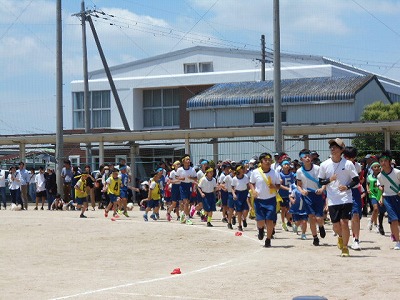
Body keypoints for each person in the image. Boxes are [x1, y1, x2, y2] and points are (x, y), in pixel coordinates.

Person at [318, 138, 359, 257]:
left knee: (344, 222)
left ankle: (345, 248)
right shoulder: (324, 164)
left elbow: (355, 180)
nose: (332, 149)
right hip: (332, 199)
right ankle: (340, 237)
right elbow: (321, 181)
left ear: (341, 150)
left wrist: (347, 187)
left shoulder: (348, 164)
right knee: (336, 225)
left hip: (346, 198)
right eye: (331, 147)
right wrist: (330, 180)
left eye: (335, 147)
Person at [249, 152, 281, 248]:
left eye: (269, 160)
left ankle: (268, 239)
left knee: (270, 220)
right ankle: (261, 229)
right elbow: (251, 183)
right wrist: (253, 191)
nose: (267, 162)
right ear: (261, 161)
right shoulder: (255, 172)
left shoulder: (274, 173)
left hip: (270, 199)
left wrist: (274, 186)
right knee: (260, 221)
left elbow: (278, 185)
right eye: (265, 160)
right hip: (259, 200)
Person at [296, 149, 327, 246]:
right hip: (307, 196)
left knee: (319, 218)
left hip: (317, 195)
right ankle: (315, 237)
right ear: (301, 159)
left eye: (309, 156)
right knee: (311, 217)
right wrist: (302, 191)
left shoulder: (318, 168)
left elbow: (324, 182)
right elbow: (298, 185)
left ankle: (321, 226)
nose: (307, 158)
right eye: (305, 157)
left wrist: (322, 189)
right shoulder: (299, 171)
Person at [377, 150, 400, 250]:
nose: (383, 163)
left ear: (390, 161)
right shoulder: (380, 176)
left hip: (398, 197)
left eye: (385, 160)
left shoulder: (397, 172)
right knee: (394, 219)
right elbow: (381, 187)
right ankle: (398, 242)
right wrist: (380, 198)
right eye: (381, 161)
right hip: (388, 199)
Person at [343, 146, 363, 250]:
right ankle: (342, 237)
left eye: (352, 157)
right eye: (347, 157)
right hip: (342, 192)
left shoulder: (358, 166)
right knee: (343, 219)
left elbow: (358, 179)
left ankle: (356, 239)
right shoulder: (340, 164)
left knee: (355, 216)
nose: (349, 159)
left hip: (354, 192)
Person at [177, 155, 197, 225]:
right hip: (183, 185)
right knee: (185, 202)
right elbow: (176, 176)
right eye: (187, 159)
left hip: (189, 185)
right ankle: (187, 218)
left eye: (189, 159)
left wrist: (191, 177)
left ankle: (182, 214)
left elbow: (196, 178)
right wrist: (180, 178)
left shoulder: (192, 169)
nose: (189, 161)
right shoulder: (180, 169)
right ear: (183, 161)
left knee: (187, 202)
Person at [366, 162, 385, 235]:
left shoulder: (382, 176)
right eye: (375, 167)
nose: (377, 168)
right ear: (372, 168)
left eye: (378, 167)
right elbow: (367, 184)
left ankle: (371, 221)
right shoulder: (369, 176)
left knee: (379, 211)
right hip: (373, 194)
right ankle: (376, 225)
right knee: (376, 209)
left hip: (380, 194)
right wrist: (367, 189)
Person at [231, 164, 250, 231]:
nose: (244, 170)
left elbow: (248, 186)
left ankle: (244, 218)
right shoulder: (234, 179)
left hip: (244, 193)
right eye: (242, 169)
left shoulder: (245, 177)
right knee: (239, 211)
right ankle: (239, 225)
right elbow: (232, 188)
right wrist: (234, 194)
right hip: (238, 194)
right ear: (239, 170)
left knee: (246, 209)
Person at [278, 160, 295, 231]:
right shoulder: (280, 174)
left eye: (288, 164)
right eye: (285, 164)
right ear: (282, 166)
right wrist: (288, 188)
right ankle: (283, 222)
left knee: (290, 209)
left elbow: (294, 183)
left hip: (289, 195)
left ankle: (290, 221)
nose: (286, 166)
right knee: (283, 209)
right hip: (282, 194)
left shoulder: (292, 174)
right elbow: (279, 185)